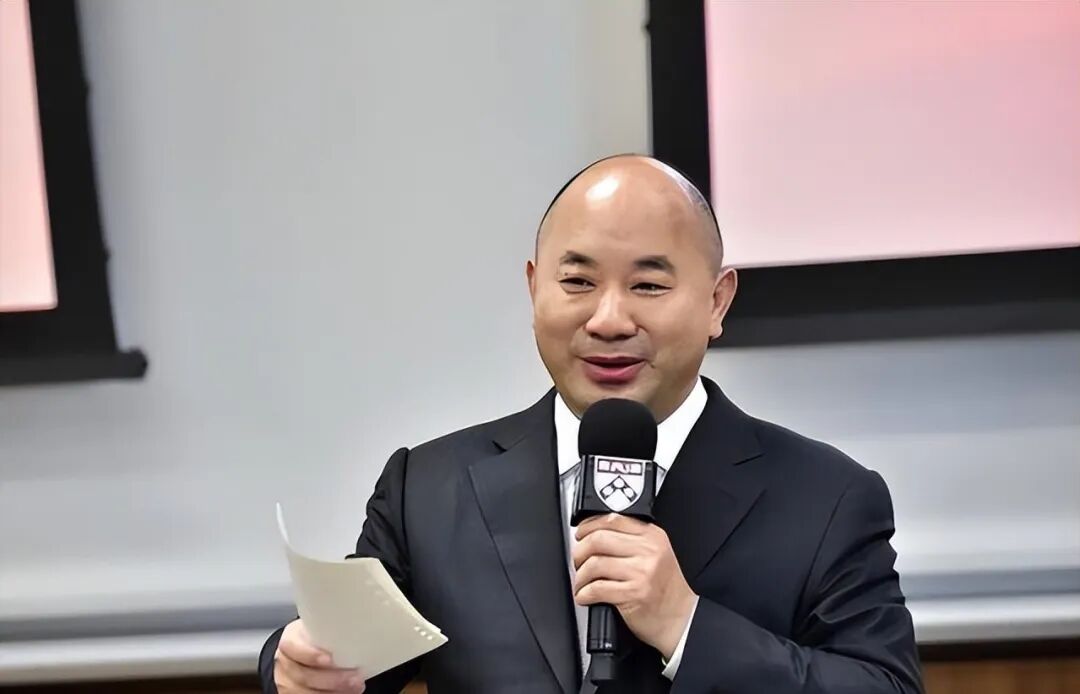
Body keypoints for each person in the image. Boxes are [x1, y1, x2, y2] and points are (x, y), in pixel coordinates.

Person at [259, 155, 923, 693]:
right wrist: (296, 670)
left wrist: (687, 626)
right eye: (577, 282)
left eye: (648, 286)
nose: (608, 320)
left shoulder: (826, 498)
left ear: (718, 302)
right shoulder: (429, 489)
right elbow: (342, 656)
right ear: (533, 288)